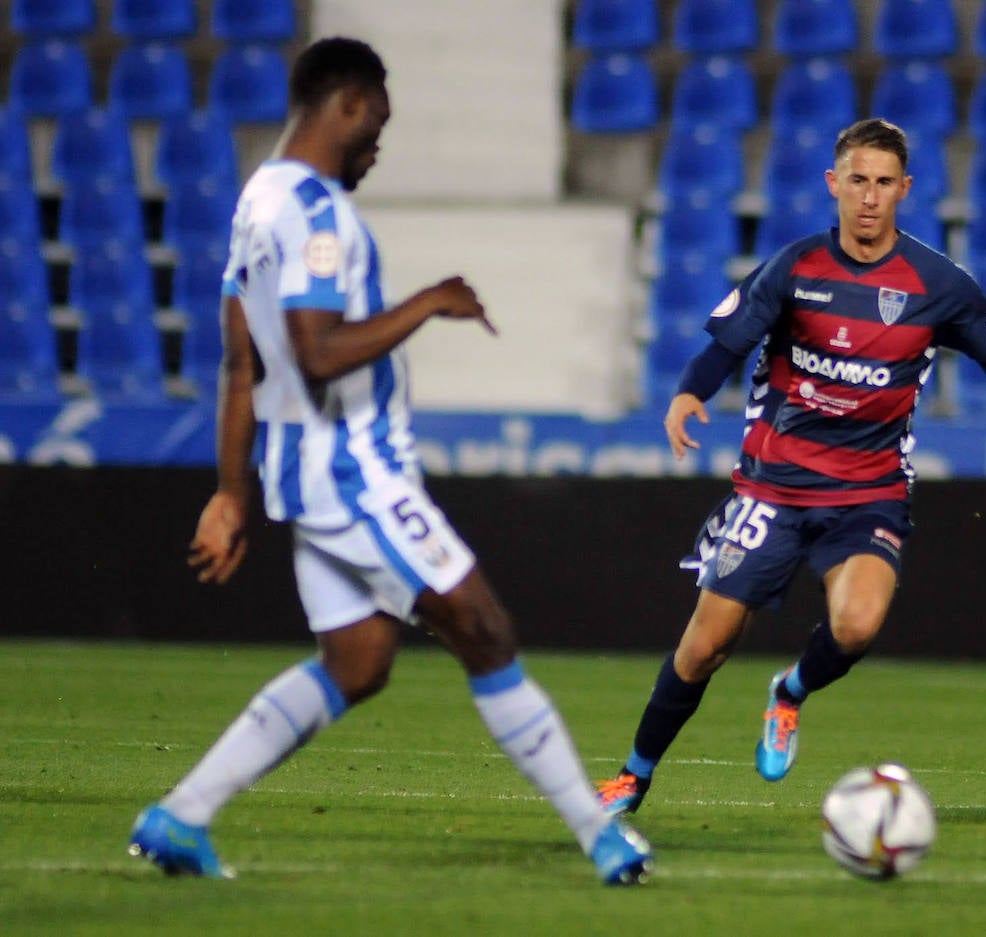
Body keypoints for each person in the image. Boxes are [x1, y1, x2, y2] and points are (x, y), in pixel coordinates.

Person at [127, 37, 651, 885]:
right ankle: (603, 836)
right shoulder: (318, 212)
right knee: (484, 626)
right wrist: (430, 300)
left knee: (358, 664)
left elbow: (238, 359)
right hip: (350, 472)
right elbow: (316, 351)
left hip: (302, 477)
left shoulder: (258, 199)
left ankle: (180, 815)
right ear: (351, 104)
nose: (378, 147)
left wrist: (231, 491)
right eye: (379, 125)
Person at [597, 118, 986, 815]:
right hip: (774, 487)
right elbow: (726, 344)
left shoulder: (937, 284)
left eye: (885, 183)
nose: (871, 196)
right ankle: (633, 776)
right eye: (858, 180)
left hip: (869, 494)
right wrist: (689, 393)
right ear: (834, 184)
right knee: (703, 648)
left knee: (856, 625)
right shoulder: (794, 268)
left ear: (905, 189)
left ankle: (789, 692)